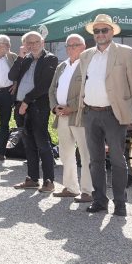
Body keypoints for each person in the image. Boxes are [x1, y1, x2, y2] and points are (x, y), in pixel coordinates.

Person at [77, 14, 132, 217]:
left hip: (114, 114)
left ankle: (120, 203)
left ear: (112, 32)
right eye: (96, 31)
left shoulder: (126, 53)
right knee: (94, 160)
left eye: (104, 30)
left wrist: (128, 111)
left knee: (117, 159)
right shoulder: (86, 55)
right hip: (90, 112)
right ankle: (99, 200)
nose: (100, 34)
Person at [9, 31, 58, 193]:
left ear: (42, 42)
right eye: (29, 43)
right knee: (28, 143)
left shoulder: (50, 59)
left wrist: (26, 101)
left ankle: (49, 181)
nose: (33, 45)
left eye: (36, 42)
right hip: (20, 106)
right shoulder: (25, 58)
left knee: (42, 143)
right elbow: (12, 76)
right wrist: (20, 58)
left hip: (38, 105)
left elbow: (44, 85)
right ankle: (32, 178)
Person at [49, 34, 91, 200]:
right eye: (69, 45)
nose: (72, 48)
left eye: (75, 45)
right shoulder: (62, 66)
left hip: (80, 115)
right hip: (61, 116)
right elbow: (52, 89)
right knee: (66, 153)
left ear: (84, 46)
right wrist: (55, 107)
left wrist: (70, 107)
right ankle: (71, 187)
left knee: (86, 154)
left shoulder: (87, 65)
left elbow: (87, 90)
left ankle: (88, 190)